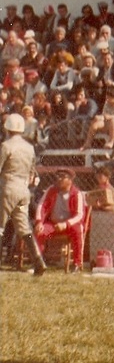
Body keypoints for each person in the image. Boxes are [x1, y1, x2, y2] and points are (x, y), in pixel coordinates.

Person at [0, 113, 46, 275]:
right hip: (23, 189)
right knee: (23, 227)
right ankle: (38, 261)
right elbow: (32, 170)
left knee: (0, 225)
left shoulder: (6, 146)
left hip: (7, 187)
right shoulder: (29, 148)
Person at [34, 169, 88, 273]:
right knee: (40, 231)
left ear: (70, 180)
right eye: (58, 176)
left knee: (78, 229)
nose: (59, 179)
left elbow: (80, 215)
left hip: (69, 226)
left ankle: (77, 264)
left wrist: (66, 224)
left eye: (62, 177)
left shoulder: (76, 193)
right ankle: (38, 263)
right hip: (53, 224)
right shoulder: (51, 190)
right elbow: (41, 206)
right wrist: (39, 221)